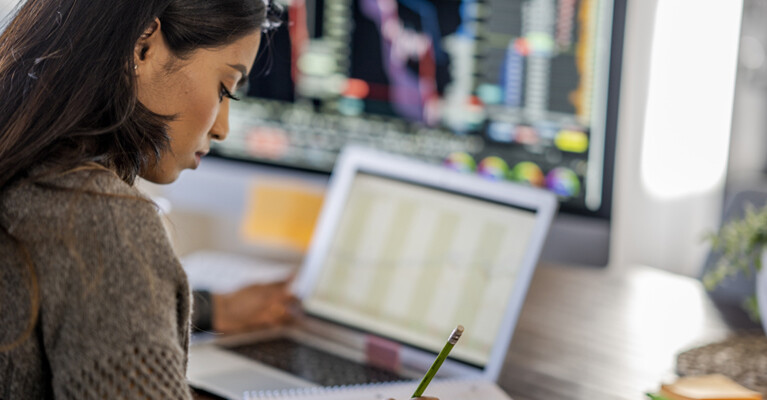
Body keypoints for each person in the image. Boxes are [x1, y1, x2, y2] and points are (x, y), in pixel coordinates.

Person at [0, 0, 440, 398]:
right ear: (143, 48)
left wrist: (211, 309)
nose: (222, 128)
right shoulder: (103, 223)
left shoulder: (24, 171)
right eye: (226, 88)